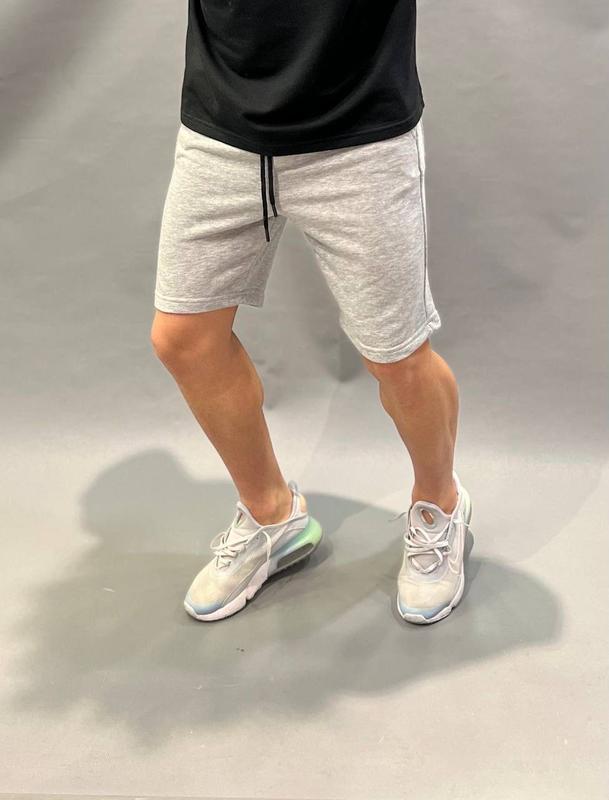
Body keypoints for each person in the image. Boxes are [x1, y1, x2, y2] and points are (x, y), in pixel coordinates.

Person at [150, 0, 473, 625]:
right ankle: (272, 515)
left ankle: (441, 504)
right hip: (222, 129)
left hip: (359, 138)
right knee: (184, 338)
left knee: (397, 355)